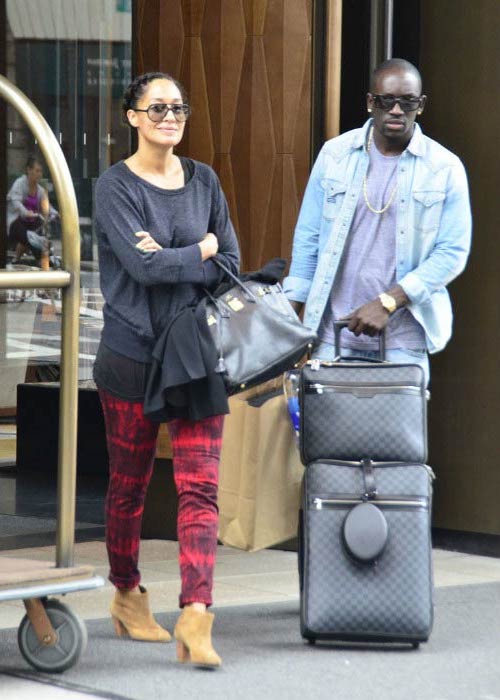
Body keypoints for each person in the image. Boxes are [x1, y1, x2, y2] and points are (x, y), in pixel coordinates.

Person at [93, 72, 240, 668]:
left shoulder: (204, 180)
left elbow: (230, 260)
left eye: (178, 107)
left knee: (199, 489)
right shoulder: (113, 187)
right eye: (156, 108)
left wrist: (193, 254)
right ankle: (127, 595)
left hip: (195, 355)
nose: (169, 117)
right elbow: (144, 269)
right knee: (129, 487)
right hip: (131, 355)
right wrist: (197, 251)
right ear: (131, 117)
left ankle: (196, 615)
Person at [283, 58, 472, 384]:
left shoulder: (444, 167)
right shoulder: (334, 155)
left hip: (403, 339)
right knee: (327, 435)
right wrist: (288, 319)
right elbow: (309, 240)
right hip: (333, 334)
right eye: (387, 101)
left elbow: (452, 252)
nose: (397, 110)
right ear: (371, 102)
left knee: (394, 436)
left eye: (407, 102)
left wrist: (388, 302)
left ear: (421, 105)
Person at [7, 156, 57, 270]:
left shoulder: (39, 190)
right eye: (37, 171)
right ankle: (41, 258)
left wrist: (56, 213)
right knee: (30, 237)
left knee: (38, 230)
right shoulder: (19, 183)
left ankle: (17, 259)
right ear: (29, 170)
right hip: (16, 220)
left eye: (41, 171)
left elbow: (47, 206)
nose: (39, 174)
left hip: (30, 221)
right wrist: (26, 212)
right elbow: (15, 202)